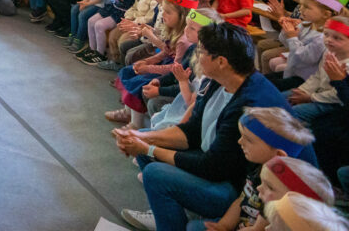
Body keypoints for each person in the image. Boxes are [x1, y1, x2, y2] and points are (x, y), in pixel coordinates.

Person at [115, 23, 316, 231]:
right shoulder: (218, 80)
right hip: (228, 171)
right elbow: (191, 132)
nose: (197, 55)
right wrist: (140, 137)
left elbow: (213, 168)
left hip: (244, 188)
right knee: (146, 136)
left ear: (221, 61)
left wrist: (147, 147)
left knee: (156, 173)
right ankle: (166, 212)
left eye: (201, 51)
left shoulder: (250, 103)